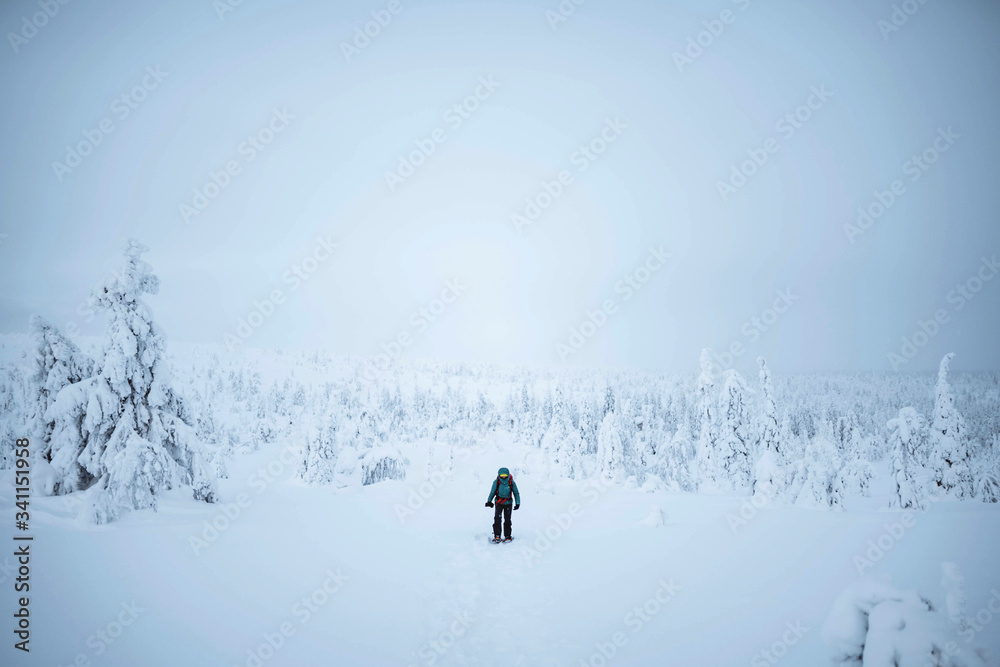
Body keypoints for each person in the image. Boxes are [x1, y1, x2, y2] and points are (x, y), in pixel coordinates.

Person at [485, 467, 520, 542]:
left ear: (508, 474)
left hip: (508, 503)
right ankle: (497, 535)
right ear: (499, 475)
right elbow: (492, 492)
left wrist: (517, 503)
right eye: (502, 475)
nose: (503, 477)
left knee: (507, 520)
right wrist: (489, 501)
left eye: (505, 475)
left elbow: (516, 493)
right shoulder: (496, 482)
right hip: (499, 503)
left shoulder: (511, 482)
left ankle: (507, 536)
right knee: (497, 518)